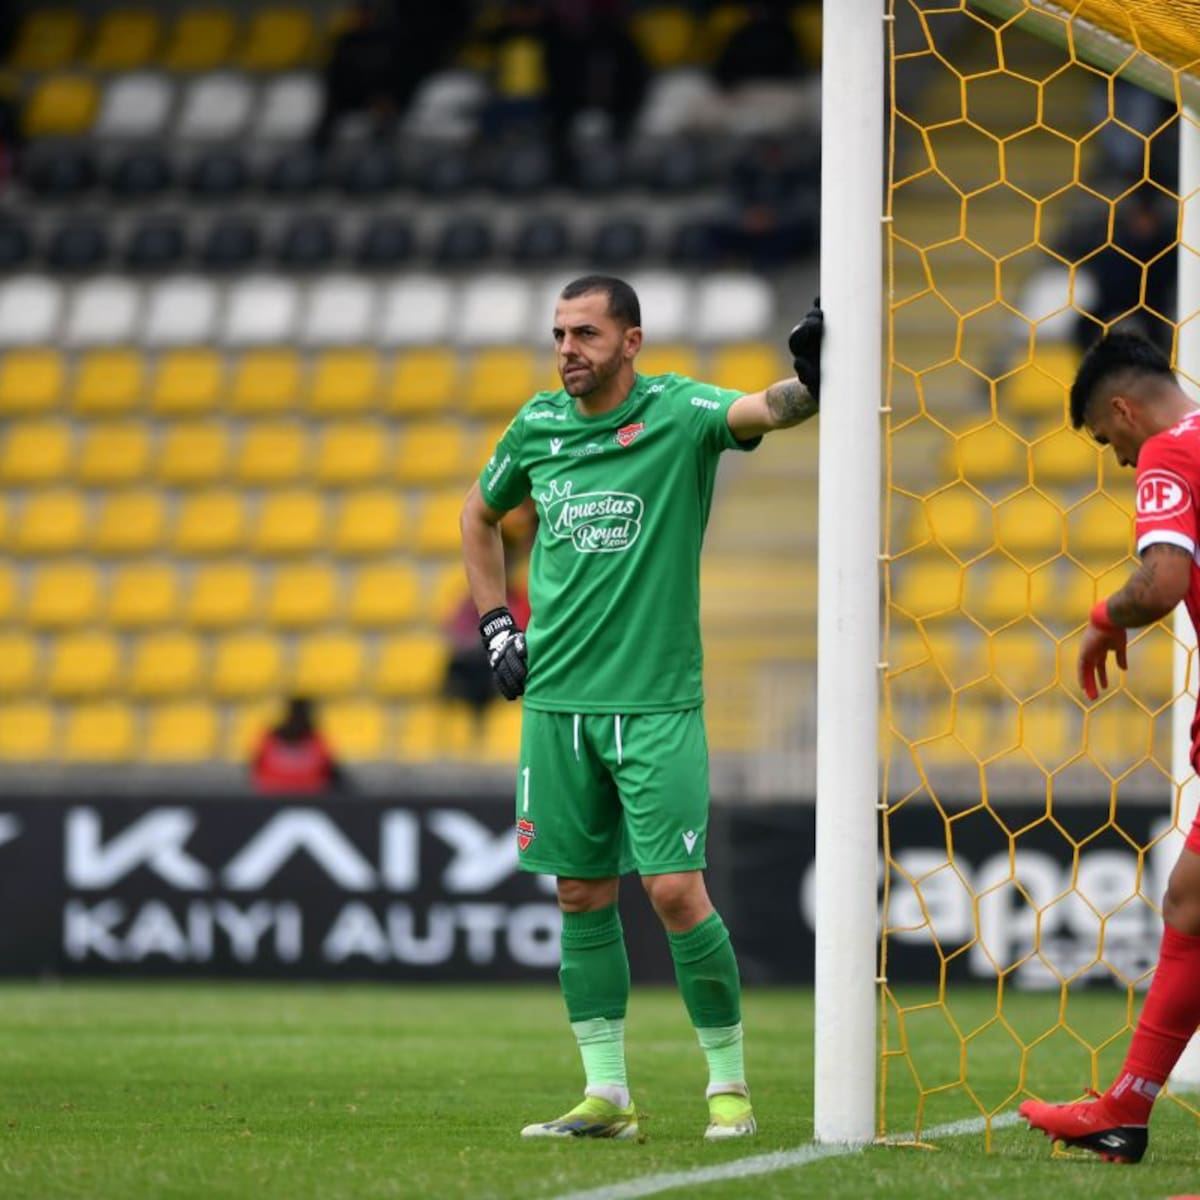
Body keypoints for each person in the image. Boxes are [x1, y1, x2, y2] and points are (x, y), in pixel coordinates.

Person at [459, 274, 823, 1141]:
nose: (566, 351)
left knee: (672, 891)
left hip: (656, 703)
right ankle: (606, 1095)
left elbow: (766, 411)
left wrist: (813, 381)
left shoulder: (678, 412)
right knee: (581, 895)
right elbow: (479, 517)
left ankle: (728, 1087)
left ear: (631, 341)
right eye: (558, 334)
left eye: (584, 333)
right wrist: (497, 627)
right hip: (555, 704)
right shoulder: (536, 427)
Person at [1020, 332, 1200, 1164]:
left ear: (1123, 410)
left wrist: (1101, 619)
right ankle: (1125, 1111)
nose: (1122, 460)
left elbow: (1160, 582)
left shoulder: (1169, 452)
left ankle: (1126, 1109)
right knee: (1190, 907)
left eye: (1106, 439)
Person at [250, 697, 348, 796]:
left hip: (275, 795)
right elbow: (331, 770)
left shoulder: (269, 736)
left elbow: (255, 766)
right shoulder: (317, 739)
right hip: (295, 795)